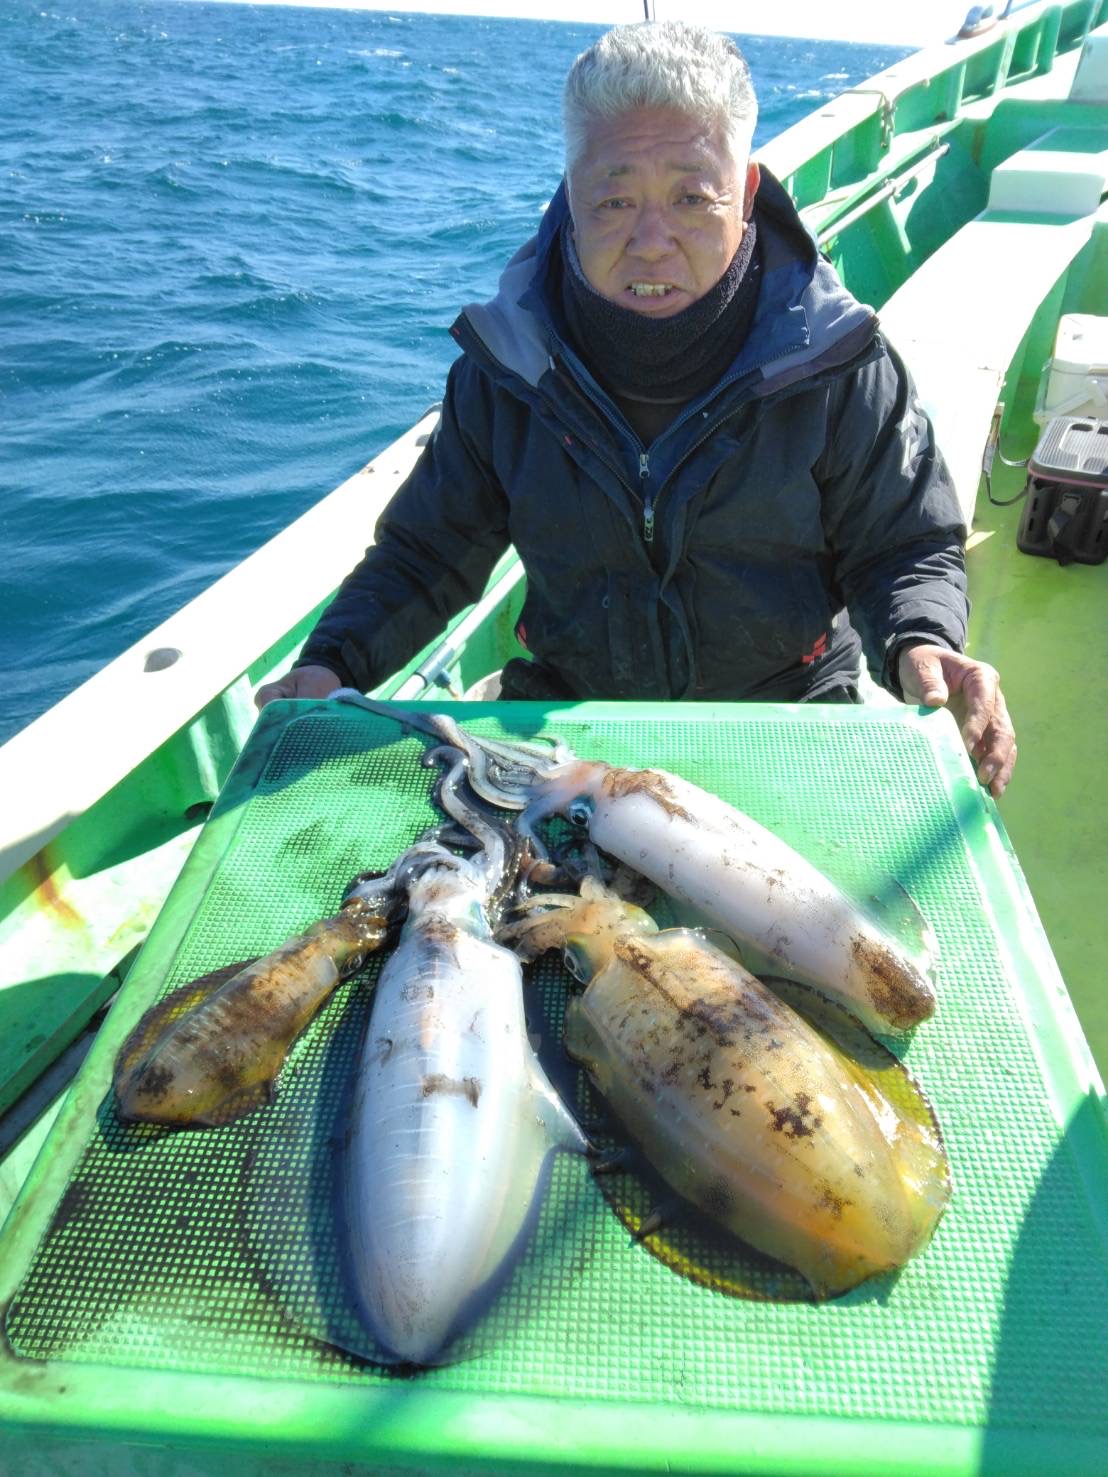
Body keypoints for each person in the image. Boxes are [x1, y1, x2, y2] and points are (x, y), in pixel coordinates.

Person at [256, 21, 1017, 797]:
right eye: (614, 199)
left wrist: (923, 642)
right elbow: (427, 552)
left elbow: (903, 545)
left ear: (747, 192)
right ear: (571, 194)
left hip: (786, 716)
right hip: (570, 722)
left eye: (692, 197)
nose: (651, 241)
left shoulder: (838, 362)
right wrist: (333, 661)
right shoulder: (507, 371)